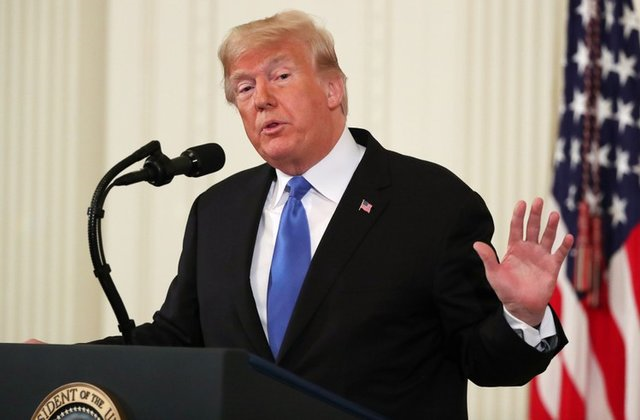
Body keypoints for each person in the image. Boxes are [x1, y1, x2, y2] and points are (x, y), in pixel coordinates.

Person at [92, 10, 574, 419]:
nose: (261, 98)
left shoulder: (433, 203)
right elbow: (178, 339)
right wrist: (58, 362)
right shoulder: (216, 211)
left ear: (333, 89)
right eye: (243, 87)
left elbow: (484, 361)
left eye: (280, 76)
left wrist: (523, 314)